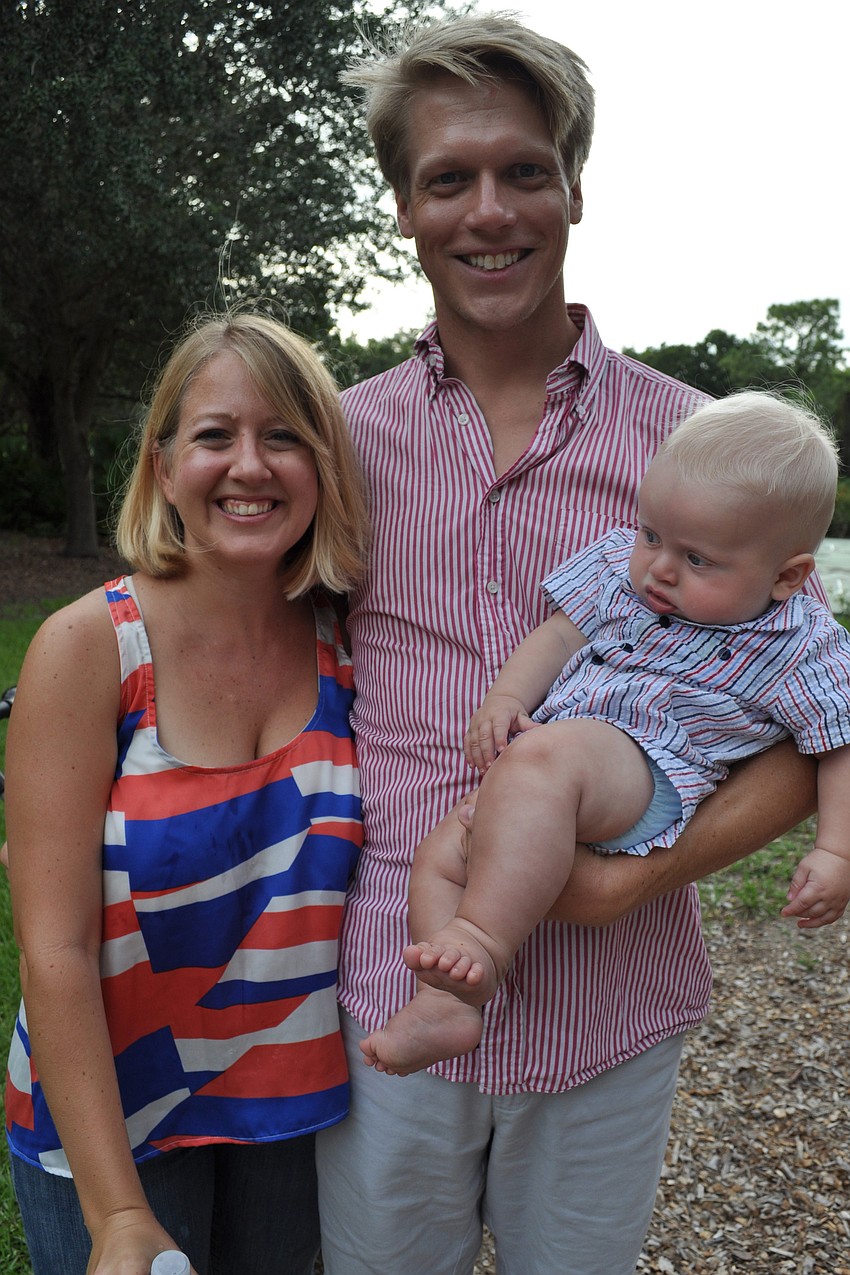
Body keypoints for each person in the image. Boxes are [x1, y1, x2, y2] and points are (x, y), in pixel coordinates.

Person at [315, 15, 822, 1275]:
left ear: (574, 187)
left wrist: (634, 880)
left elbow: (804, 721)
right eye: (448, 178)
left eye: (523, 170)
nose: (489, 211)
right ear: (404, 208)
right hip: (393, 970)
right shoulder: (334, 441)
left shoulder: (701, 449)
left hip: (611, 998)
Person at [3, 311, 369, 1275]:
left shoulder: (352, 640)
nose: (250, 465)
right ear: (165, 468)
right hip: (112, 1115)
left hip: (291, 1107)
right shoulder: (90, 648)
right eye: (215, 435)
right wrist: (117, 1210)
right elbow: (54, 943)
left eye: (284, 435)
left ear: (324, 465)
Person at [360, 391, 850, 1075]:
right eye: (652, 535)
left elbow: (838, 739)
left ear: (788, 575)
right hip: (551, 769)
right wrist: (505, 697)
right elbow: (560, 633)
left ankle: (481, 940)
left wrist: (836, 850)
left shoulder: (798, 639)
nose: (660, 568)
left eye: (698, 559)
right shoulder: (625, 572)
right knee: (444, 851)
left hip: (647, 771)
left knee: (545, 760)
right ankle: (446, 1000)